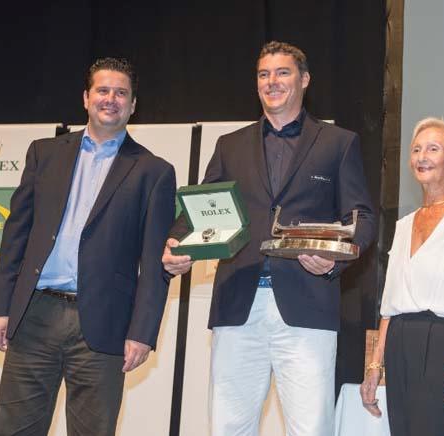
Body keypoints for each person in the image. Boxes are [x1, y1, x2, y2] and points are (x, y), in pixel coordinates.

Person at [162, 41, 376, 436]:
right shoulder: (230, 144)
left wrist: (336, 258)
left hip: (307, 305)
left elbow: (361, 219)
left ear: (304, 80)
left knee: (311, 428)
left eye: (282, 72)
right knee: (228, 426)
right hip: (237, 304)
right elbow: (204, 206)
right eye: (264, 74)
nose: (272, 81)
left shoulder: (337, 143)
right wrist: (177, 243)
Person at [0, 57, 176, 436]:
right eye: (103, 90)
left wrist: (142, 331)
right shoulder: (44, 153)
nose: (111, 99)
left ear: (133, 104)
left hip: (106, 324)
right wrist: (1, 307)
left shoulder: (154, 171)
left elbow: (156, 261)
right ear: (86, 97)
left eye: (121, 93)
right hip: (34, 315)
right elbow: (16, 236)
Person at [360, 117, 444, 435]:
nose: (422, 157)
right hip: (401, 342)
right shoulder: (404, 224)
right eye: (416, 149)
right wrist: (375, 365)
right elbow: (391, 304)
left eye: (433, 149)